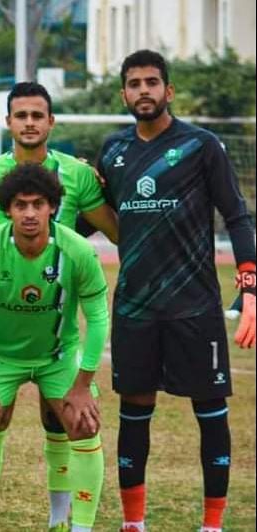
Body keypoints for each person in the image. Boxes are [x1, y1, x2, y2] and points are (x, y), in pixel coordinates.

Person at [0, 81, 118, 530]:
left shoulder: (77, 180)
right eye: (21, 115)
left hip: (56, 337)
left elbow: (117, 231)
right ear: (8, 122)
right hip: (0, 332)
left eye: (38, 115)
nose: (30, 123)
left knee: (71, 421)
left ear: (51, 122)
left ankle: (66, 522)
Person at [96, 49, 256, 532]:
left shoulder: (201, 145)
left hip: (195, 306)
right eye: (134, 83)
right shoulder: (113, 151)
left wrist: (250, 287)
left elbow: (237, 216)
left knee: (211, 414)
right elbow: (92, 219)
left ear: (168, 90)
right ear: (123, 94)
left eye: (151, 82)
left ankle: (212, 525)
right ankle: (133, 523)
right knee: (134, 411)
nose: (143, 90)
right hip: (135, 308)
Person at [0, 163, 108, 532]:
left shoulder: (77, 251)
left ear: (52, 206)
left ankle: (71, 526)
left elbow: (98, 319)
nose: (29, 213)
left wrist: (83, 384)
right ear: (7, 209)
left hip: (57, 356)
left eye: (37, 204)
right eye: (20, 205)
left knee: (84, 424)